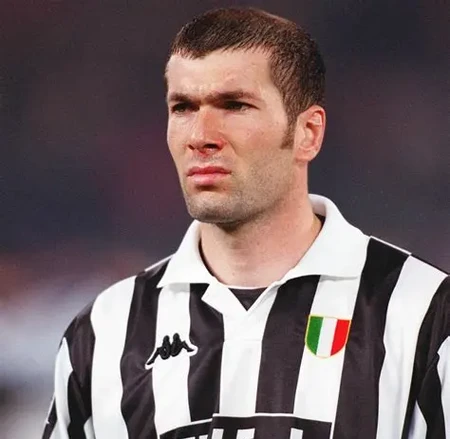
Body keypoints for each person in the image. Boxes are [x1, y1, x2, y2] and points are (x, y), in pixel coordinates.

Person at [42, 7, 449, 439]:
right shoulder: (103, 332)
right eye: (183, 107)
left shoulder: (422, 313)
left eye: (234, 105)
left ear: (308, 133)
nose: (200, 136)